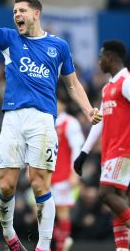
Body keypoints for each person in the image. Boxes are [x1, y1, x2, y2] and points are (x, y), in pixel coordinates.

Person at [0, 0, 102, 250]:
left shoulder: (58, 47)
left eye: (22, 10)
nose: (16, 15)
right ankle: (9, 234)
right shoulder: (9, 39)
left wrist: (88, 110)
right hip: (13, 118)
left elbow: (72, 85)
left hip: (42, 120)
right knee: (6, 186)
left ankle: (43, 245)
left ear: (36, 13)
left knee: (40, 183)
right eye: (14, 11)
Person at [74, 40, 130, 251]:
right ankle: (122, 249)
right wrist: (83, 153)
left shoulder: (129, 82)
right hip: (110, 150)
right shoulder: (107, 88)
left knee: (105, 194)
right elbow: (101, 121)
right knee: (116, 200)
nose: (98, 61)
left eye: (101, 56)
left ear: (111, 57)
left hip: (124, 148)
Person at [51, 91, 85, 251]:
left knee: (62, 210)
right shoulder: (45, 122)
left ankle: (61, 246)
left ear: (64, 104)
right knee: (44, 213)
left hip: (64, 175)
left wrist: (74, 172)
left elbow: (77, 148)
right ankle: (61, 240)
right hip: (46, 175)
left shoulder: (70, 123)